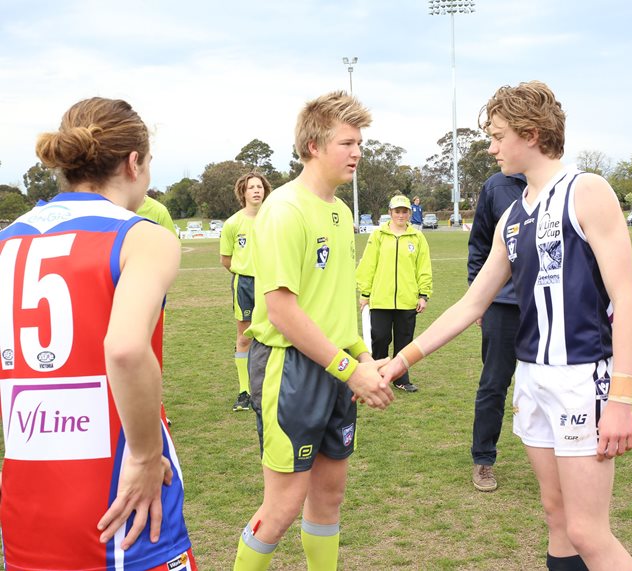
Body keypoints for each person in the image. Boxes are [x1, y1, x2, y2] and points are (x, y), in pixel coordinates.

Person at [381, 81, 632, 571]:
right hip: (533, 378)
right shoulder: (513, 215)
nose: (491, 146)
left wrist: (622, 400)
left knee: (589, 530)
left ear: (532, 132)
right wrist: (400, 361)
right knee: (557, 517)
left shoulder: (587, 191)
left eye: (499, 135)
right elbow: (471, 304)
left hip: (581, 377)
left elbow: (627, 299)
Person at [0, 97, 194, 570]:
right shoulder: (142, 236)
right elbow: (126, 349)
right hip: (122, 501)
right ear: (133, 163)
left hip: (28, 506)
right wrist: (147, 456)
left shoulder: (8, 240)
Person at [234, 91, 394, 571]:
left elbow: (338, 300)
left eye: (359, 142)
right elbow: (281, 310)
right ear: (312, 146)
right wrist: (350, 368)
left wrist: (362, 356)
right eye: (347, 142)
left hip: (338, 366)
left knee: (329, 497)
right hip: (292, 369)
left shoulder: (342, 213)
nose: (357, 152)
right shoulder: (284, 209)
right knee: (282, 507)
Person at [467, 171, 526, 491]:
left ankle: (564, 455)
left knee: (550, 384)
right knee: (494, 384)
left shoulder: (561, 184)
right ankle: (483, 460)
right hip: (501, 306)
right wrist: (480, 300)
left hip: (546, 305)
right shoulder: (496, 186)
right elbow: (478, 246)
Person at [356, 194, 433, 393]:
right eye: (397, 211)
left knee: (404, 342)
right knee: (380, 338)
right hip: (380, 300)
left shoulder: (417, 237)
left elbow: (423, 268)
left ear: (409, 213)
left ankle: (401, 379)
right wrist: (365, 293)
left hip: (408, 301)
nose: (401, 215)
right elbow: (368, 264)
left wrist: (423, 295)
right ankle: (378, 376)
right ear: (390, 213)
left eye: (404, 211)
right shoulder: (378, 235)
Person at [220, 171, 271, 414]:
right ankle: (245, 391)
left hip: (271, 282)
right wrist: (247, 271)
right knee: (245, 337)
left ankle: (271, 385)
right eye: (251, 187)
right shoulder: (233, 223)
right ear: (243, 192)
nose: (256, 190)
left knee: (275, 333)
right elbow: (226, 259)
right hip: (245, 284)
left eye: (259, 186)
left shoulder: (274, 218)